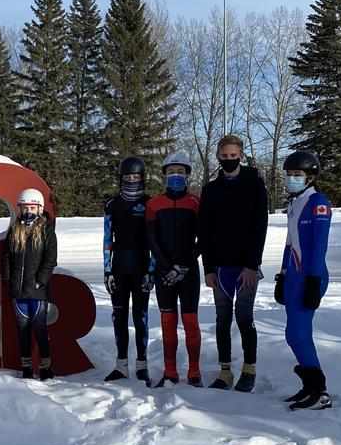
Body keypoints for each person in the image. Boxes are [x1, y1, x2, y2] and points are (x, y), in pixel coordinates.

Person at [198, 135, 268, 391]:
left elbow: (260, 227)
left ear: (241, 156)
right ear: (218, 156)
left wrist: (252, 265)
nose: (229, 160)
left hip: (246, 267)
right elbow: (204, 232)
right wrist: (208, 269)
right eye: (224, 156)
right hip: (220, 268)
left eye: (233, 156)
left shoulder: (254, 184)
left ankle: (249, 369)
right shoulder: (210, 190)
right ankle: (225, 371)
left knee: (244, 316)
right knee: (222, 319)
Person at [274, 151, 333, 410]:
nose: (291, 179)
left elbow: (319, 246)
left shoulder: (318, 203)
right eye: (288, 174)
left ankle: (320, 391)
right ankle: (310, 386)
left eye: (297, 174)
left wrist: (313, 281)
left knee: (299, 333)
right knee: (292, 335)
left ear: (310, 177)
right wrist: (282, 274)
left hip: (310, 275)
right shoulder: (295, 203)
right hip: (294, 275)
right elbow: (290, 243)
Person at [146, 152, 202, 388]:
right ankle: (170, 371)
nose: (175, 176)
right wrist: (168, 267)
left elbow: (203, 239)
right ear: (165, 175)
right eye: (171, 172)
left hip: (188, 271)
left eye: (180, 172)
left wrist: (182, 266)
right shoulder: (154, 204)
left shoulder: (196, 203)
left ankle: (194, 371)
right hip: (164, 271)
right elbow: (151, 240)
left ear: (187, 174)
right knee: (168, 323)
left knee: (190, 321)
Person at [102, 157, 156, 382]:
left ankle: (142, 365)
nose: (132, 181)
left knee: (140, 316)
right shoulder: (111, 205)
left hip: (142, 267)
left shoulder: (151, 203)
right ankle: (121, 365)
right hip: (119, 268)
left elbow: (155, 242)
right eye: (127, 177)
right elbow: (107, 239)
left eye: (136, 177)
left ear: (143, 178)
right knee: (119, 316)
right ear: (120, 178)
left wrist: (152, 271)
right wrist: (107, 270)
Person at [2, 188, 58, 380]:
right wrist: (8, 278)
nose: (28, 212)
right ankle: (26, 366)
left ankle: (45, 366)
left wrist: (41, 280)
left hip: (37, 290)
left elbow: (50, 259)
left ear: (39, 208)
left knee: (40, 329)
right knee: (23, 329)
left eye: (32, 208)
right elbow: (6, 256)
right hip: (19, 289)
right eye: (25, 208)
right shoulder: (15, 229)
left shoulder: (46, 229)